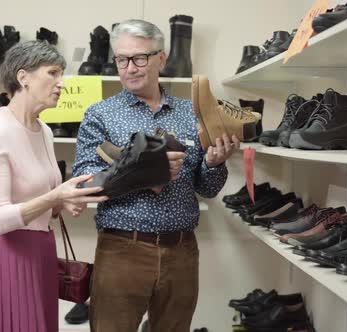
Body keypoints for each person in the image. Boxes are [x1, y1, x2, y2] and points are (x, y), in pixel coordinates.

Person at [73, 19, 240, 332]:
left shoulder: (191, 113)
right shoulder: (100, 114)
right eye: (121, 59)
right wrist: (147, 171)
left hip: (182, 252)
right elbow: (86, 182)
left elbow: (206, 188)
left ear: (161, 59)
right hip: (121, 249)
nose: (129, 68)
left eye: (139, 58)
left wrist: (215, 163)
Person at [0, 40, 108, 332]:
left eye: (62, 75)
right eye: (53, 73)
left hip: (41, 252)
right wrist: (55, 196)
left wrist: (63, 202)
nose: (61, 83)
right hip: (7, 257)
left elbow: (42, 200)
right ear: (23, 78)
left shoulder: (44, 130)